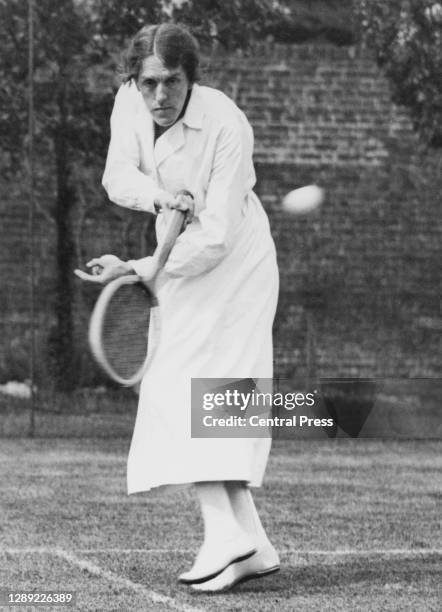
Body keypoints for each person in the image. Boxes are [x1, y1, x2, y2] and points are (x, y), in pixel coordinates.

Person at [77, 23, 280, 592]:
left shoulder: (225, 123)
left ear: (191, 78)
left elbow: (215, 235)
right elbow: (118, 176)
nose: (159, 96)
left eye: (171, 82)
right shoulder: (129, 104)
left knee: (190, 389)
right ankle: (253, 542)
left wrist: (143, 267)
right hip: (177, 250)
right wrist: (160, 197)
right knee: (193, 390)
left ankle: (223, 533)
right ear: (133, 81)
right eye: (148, 83)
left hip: (237, 263)